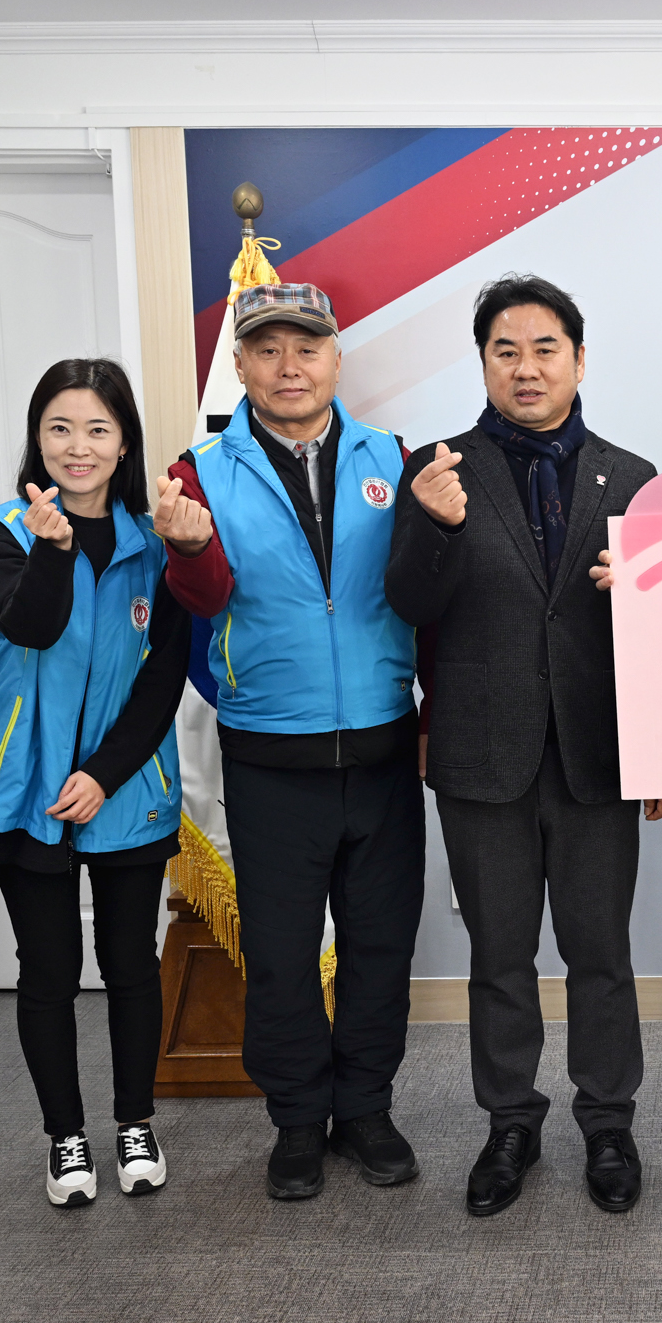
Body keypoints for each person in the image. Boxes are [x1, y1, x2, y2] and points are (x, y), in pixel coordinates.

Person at [386, 274, 662, 1217]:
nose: (526, 368)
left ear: (579, 360)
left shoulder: (634, 477)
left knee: (601, 953)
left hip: (599, 756)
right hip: (482, 758)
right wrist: (435, 528)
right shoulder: (438, 471)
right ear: (482, 364)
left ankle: (609, 1122)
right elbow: (408, 606)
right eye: (505, 351)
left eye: (545, 348)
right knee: (500, 958)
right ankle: (510, 1121)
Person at [153, 282, 425, 1202]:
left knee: (380, 945)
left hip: (382, 749)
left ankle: (367, 1109)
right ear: (240, 366)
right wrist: (188, 549)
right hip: (271, 754)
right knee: (280, 954)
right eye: (267, 350)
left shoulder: (394, 458)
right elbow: (204, 603)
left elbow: (423, 593)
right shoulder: (199, 472)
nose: (289, 367)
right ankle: (299, 1121)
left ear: (336, 356)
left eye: (306, 347)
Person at [0, 358, 188, 1207]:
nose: (78, 446)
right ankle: (65, 1138)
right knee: (48, 972)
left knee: (131, 965)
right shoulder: (3, 531)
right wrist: (53, 550)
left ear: (124, 441)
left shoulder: (155, 542)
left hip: (125, 785)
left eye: (98, 428)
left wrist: (102, 773)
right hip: (27, 789)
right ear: (38, 437)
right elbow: (30, 624)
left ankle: (136, 1123)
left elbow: (164, 676)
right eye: (59, 428)